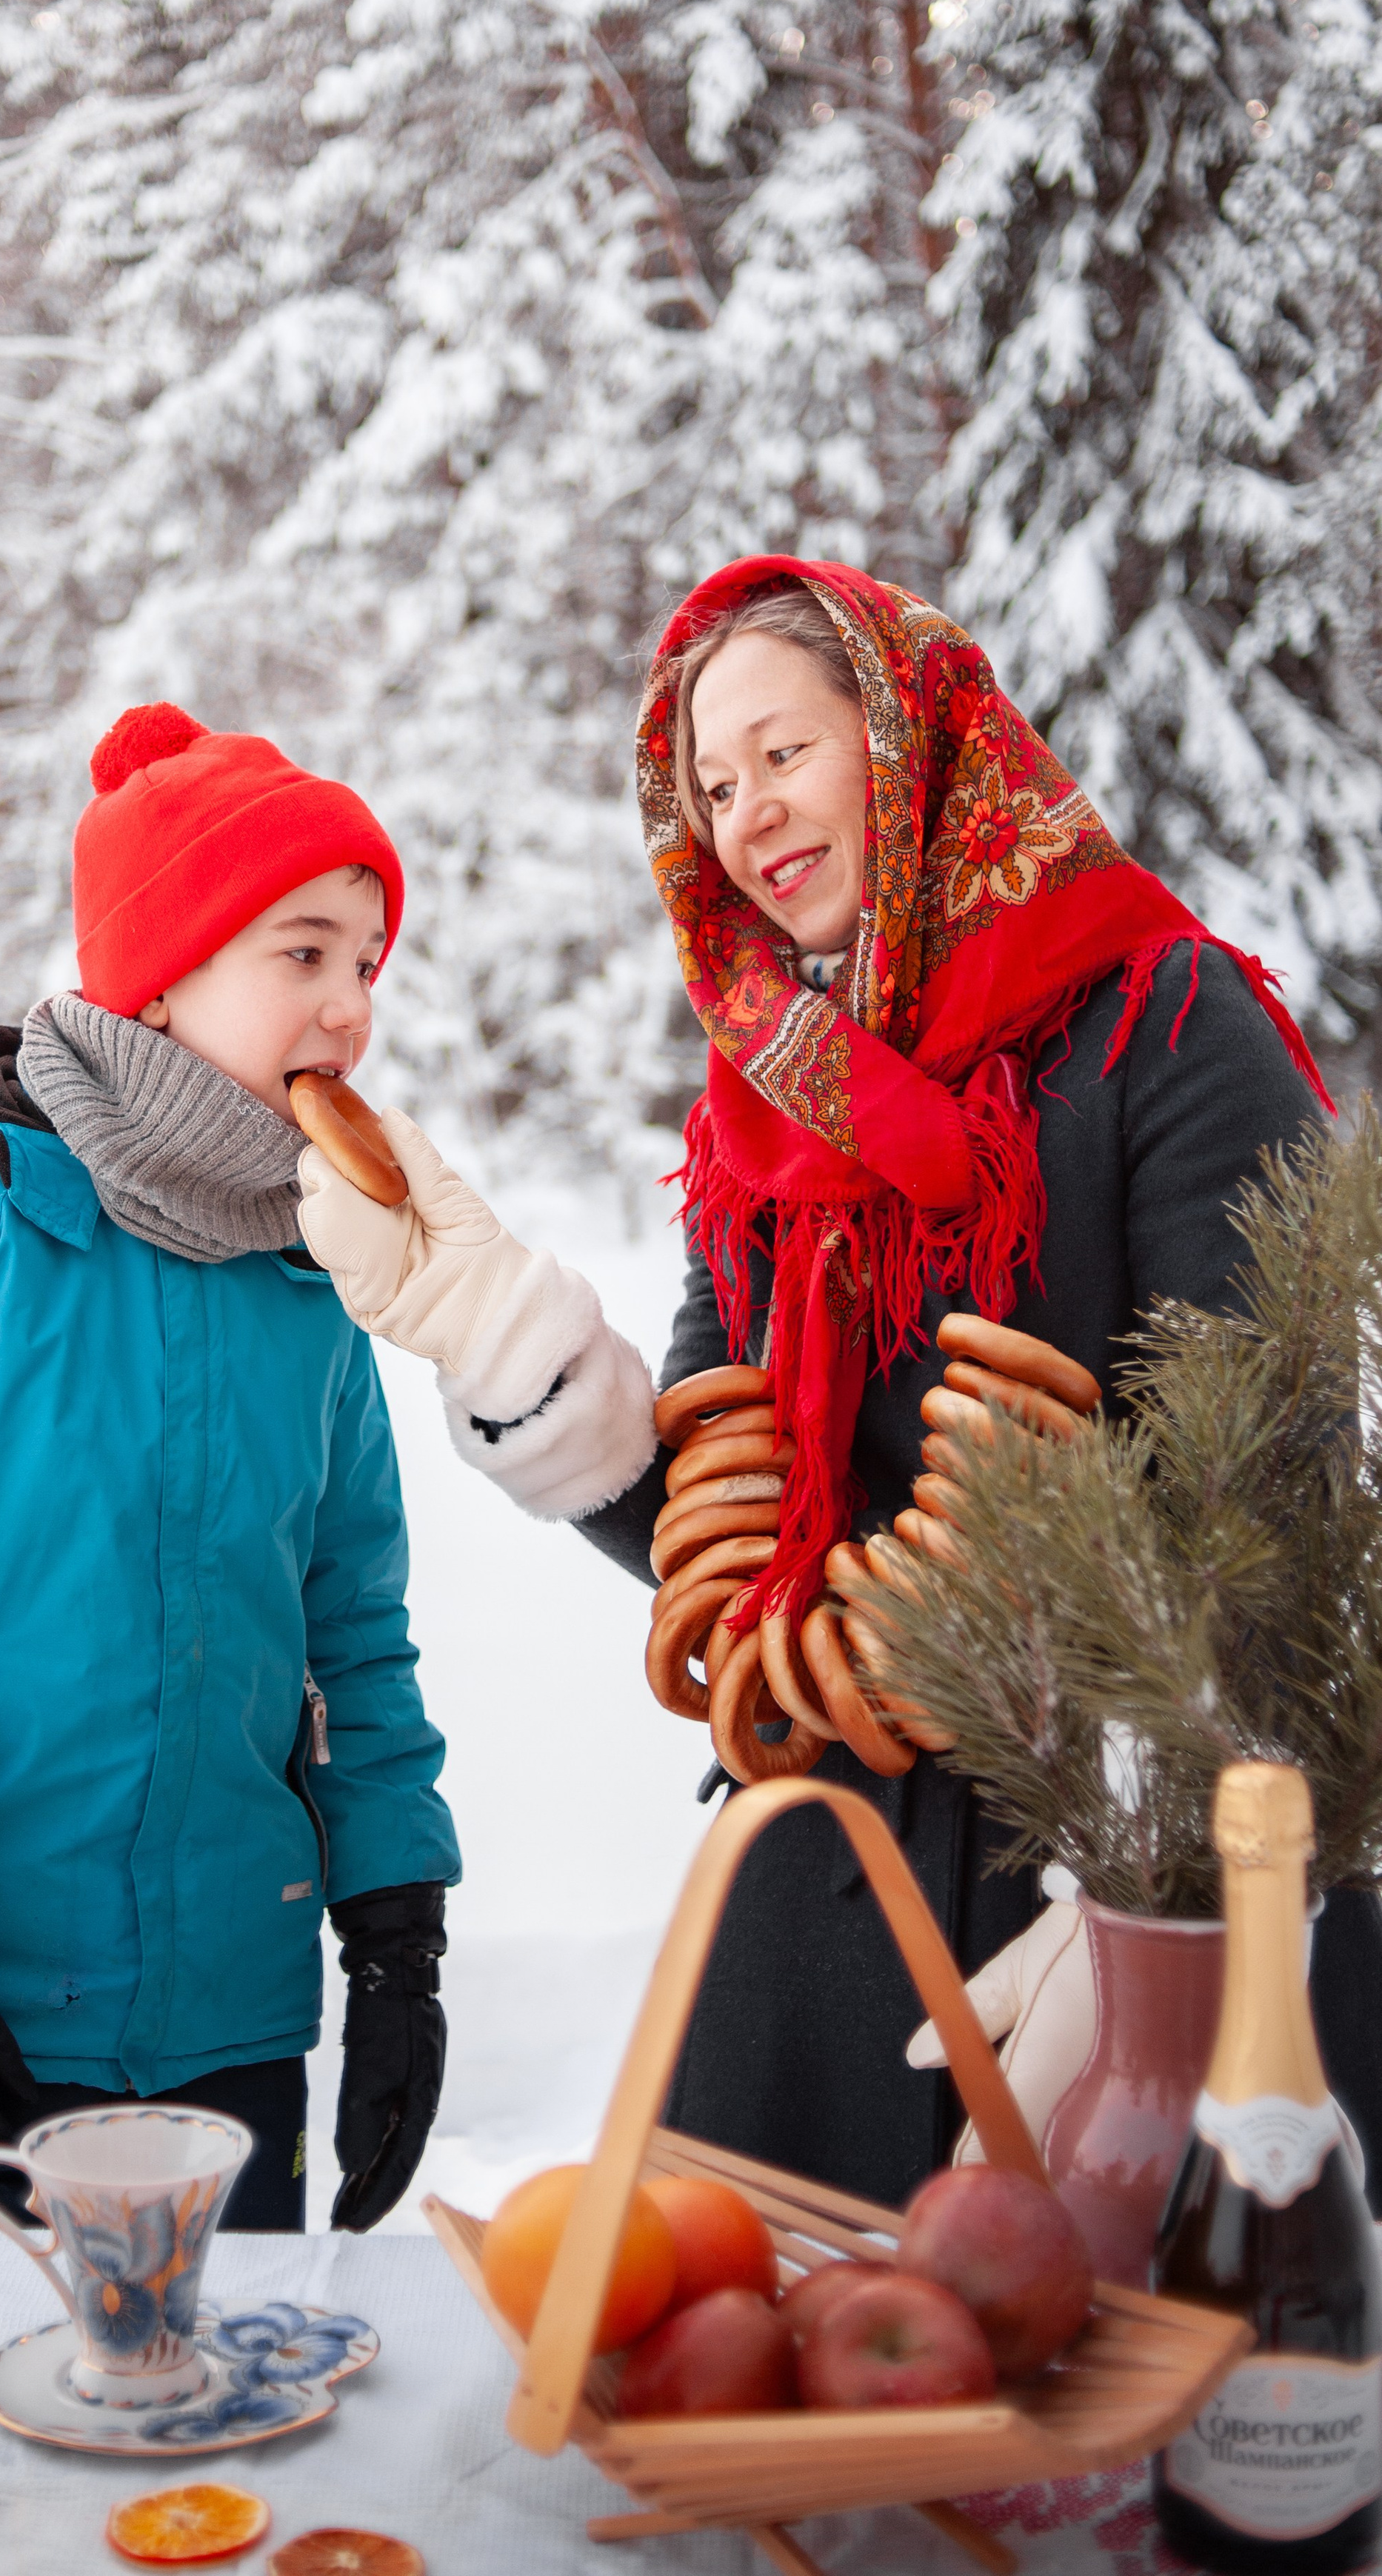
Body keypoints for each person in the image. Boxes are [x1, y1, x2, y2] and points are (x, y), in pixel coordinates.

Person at [296, 557, 1382, 2210]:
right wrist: (506, 1337)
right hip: (831, 1900)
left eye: (782, 753)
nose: (746, 816)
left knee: (1174, 2422)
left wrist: (1140, 1902)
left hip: (1143, 1888)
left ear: (906, 733)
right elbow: (722, 1545)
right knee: (771, 2410)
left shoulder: (1160, 1023)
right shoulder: (765, 1118)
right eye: (708, 787)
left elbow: (1269, 1500)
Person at [0, 702, 461, 2231]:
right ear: (165, 972)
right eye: (302, 952)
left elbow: (351, 1631)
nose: (347, 1009)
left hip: (232, 2027)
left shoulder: (313, 1280)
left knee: (224, 2433)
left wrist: (394, 1931)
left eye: (365, 963)